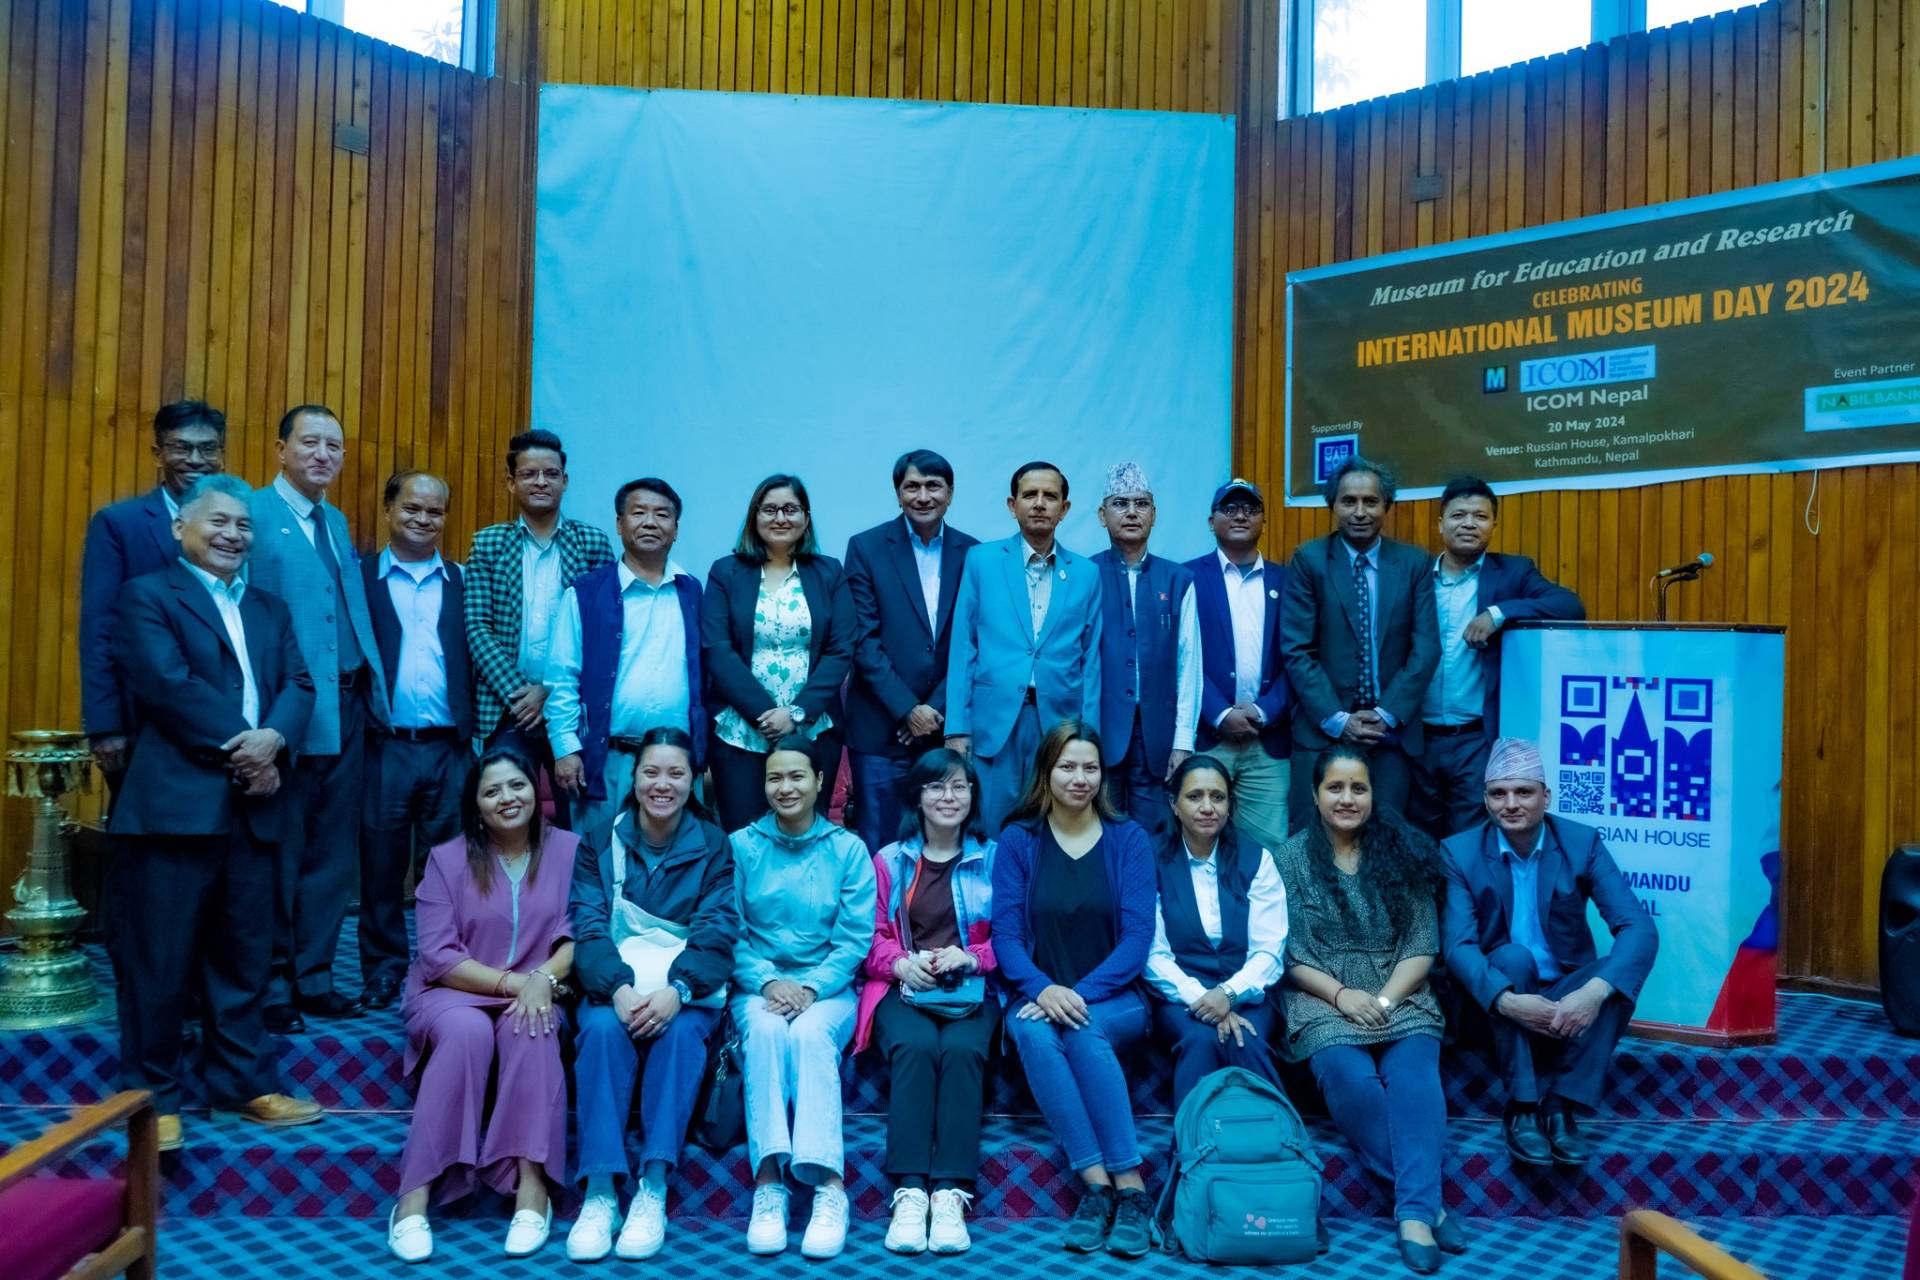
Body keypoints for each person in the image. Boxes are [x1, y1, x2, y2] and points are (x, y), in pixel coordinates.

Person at [108, 474, 323, 1152]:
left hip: (255, 808)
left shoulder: (268, 608)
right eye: (219, 522)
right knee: (160, 960)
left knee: (244, 954)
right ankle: (155, 1098)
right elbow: (167, 686)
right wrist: (249, 748)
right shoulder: (147, 595)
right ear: (181, 528)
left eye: (243, 525)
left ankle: (244, 1084)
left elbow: (300, 683)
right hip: (175, 808)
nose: (233, 534)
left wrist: (275, 739)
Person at [386, 747, 576, 1264]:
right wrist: (520, 983)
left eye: (516, 785)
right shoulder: (446, 860)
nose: (506, 798)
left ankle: (532, 1189)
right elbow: (439, 957)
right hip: (452, 992)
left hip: (539, 991)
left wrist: (542, 981)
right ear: (475, 804)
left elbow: (579, 936)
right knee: (466, 1032)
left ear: (535, 792)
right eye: (491, 791)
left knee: (534, 1027)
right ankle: (412, 1198)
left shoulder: (570, 851)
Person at [1274, 746, 1460, 1274]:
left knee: (1415, 1078)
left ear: (1373, 795)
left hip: (1399, 993)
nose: (1347, 798)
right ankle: (1426, 1205)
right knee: (1348, 1076)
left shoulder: (1404, 852)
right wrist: (1341, 996)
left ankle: (1413, 1216)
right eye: (1335, 787)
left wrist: (1382, 1000)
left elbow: (1422, 945)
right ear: (1315, 795)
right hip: (1321, 997)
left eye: (1358, 788)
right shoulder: (1287, 860)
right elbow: (1289, 954)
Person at [1440, 738, 1656, 1169]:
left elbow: (1639, 928)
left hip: (1563, 1003)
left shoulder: (1581, 842)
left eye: (1524, 792)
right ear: (1485, 799)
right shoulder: (1459, 852)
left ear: (1546, 796)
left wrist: (1592, 992)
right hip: (1493, 1005)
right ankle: (1522, 1107)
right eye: (1499, 793)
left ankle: (1561, 1105)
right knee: (1513, 958)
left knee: (1616, 976)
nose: (1511, 804)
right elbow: (1458, 946)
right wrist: (1507, 1001)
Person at [565, 727, 737, 1262]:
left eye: (676, 773)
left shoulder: (714, 844)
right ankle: (599, 1191)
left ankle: (653, 1184)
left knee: (681, 1035)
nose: (663, 784)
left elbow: (716, 932)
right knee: (599, 1029)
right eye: (651, 772)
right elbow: (588, 927)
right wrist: (617, 989)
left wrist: (678, 990)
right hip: (615, 984)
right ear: (634, 777)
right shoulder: (600, 840)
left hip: (685, 989)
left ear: (694, 780)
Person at [990, 720, 1156, 1259]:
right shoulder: (1019, 840)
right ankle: (1098, 1186)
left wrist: (1075, 994)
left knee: (1083, 1031)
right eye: (1067, 766)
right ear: (1046, 771)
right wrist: (1043, 990)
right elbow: (1006, 937)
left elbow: (1137, 940)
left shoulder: (1128, 839)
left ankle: (1131, 1187)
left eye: (1090, 767)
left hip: (1116, 997)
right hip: (1036, 996)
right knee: (1035, 1036)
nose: (1080, 778)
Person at [250, 405, 390, 1031]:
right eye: (310, 442)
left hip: (349, 705)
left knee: (333, 855)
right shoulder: (253, 515)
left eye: (334, 445)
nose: (323, 454)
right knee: (282, 851)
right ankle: (274, 983)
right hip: (290, 710)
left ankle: (315, 977)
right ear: (281, 449)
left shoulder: (334, 520)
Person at [731, 736, 877, 1259]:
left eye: (797, 776)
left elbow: (854, 939)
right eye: (775, 777)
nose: (785, 787)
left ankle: (829, 1186)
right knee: (767, 1030)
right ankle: (769, 1183)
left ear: (819, 782)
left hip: (829, 988)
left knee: (812, 1034)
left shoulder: (848, 850)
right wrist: (769, 981)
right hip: (760, 986)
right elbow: (730, 932)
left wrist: (812, 986)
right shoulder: (741, 846)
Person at [854, 747, 999, 1256]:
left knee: (961, 1050)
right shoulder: (889, 860)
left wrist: (971, 957)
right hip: (902, 989)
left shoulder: (993, 858)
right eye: (936, 786)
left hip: (971, 988)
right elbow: (869, 937)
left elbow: (1012, 938)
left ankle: (951, 1192)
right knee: (915, 1046)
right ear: (917, 796)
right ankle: (912, 1191)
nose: (948, 796)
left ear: (973, 795)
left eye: (960, 786)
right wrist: (899, 963)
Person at [1409, 478, 1585, 840]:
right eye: (1458, 515)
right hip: (1414, 738)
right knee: (1414, 842)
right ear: (1440, 523)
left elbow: (1570, 606)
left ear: (1493, 525)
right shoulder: (1414, 574)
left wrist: (1499, 612)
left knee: (1468, 842)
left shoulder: (1513, 573)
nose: (1469, 523)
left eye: (1480, 516)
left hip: (1474, 739)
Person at [357, 471, 473, 1012]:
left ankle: (442, 963)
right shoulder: (360, 579)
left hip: (451, 748)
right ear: (388, 509)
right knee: (380, 866)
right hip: (385, 746)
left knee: (447, 867)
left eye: (435, 511)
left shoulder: (463, 580)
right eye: (412, 508)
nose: (423, 519)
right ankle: (383, 969)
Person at [945, 462, 1104, 829]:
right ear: (1012, 505)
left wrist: (1089, 736)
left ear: (1064, 509)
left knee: (1052, 827)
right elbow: (964, 648)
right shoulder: (982, 561)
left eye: (1050, 496)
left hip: (1060, 723)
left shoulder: (1085, 573)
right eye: (1030, 494)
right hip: (994, 721)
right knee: (991, 827)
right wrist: (957, 727)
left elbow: (1091, 659)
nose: (1039, 503)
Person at [1281, 457, 1438, 827]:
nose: (1360, 511)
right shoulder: (1310, 560)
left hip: (1392, 735)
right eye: (1349, 501)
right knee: (1315, 842)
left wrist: (1385, 715)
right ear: (1333, 505)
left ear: (1387, 506)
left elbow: (1426, 647)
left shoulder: (1414, 563)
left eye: (1370, 501)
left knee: (1388, 841)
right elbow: (1296, 649)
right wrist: (1339, 719)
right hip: (1323, 731)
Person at [81, 400, 229, 789]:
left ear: (222, 456)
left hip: (226, 719)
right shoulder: (120, 524)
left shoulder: (238, 527)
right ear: (157, 453)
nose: (195, 460)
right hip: (143, 721)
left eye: (208, 449)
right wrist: (105, 725)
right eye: (182, 447)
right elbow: (99, 628)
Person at [547, 478, 705, 836]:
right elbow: (562, 677)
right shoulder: (585, 594)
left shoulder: (692, 591)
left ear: (676, 529)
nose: (650, 522)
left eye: (662, 514)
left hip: (677, 761)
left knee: (677, 860)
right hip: (608, 760)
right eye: (639, 513)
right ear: (619, 524)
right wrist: (565, 748)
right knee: (600, 859)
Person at [464, 428, 616, 797]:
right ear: (510, 482)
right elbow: (477, 626)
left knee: (579, 812)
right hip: (508, 709)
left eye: (550, 473)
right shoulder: (488, 543)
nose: (541, 482)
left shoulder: (592, 543)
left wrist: (549, 692)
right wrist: (522, 695)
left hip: (573, 707)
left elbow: (603, 631)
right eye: (529, 474)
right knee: (506, 808)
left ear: (565, 481)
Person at [843, 450, 980, 854]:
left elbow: (974, 640)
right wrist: (906, 708)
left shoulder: (973, 553)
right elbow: (863, 639)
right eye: (912, 487)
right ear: (898, 493)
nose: (923, 496)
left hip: (944, 730)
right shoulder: (866, 547)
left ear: (950, 492)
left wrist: (931, 709)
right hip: (880, 732)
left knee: (944, 846)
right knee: (882, 849)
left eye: (933, 486)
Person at [703, 475, 855, 832]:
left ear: (806, 517)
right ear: (754, 516)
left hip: (813, 729)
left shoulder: (828, 572)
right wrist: (766, 716)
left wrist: (797, 714)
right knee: (745, 836)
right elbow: (717, 650)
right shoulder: (726, 572)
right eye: (769, 509)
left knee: (808, 835)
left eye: (791, 509)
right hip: (741, 733)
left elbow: (841, 649)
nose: (780, 518)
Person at [1144, 754, 1288, 1107]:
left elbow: (1269, 949)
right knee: (1201, 1040)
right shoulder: (1151, 860)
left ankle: (1272, 1136)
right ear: (1174, 804)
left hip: (1249, 992)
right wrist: (1203, 998)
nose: (1207, 807)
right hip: (1179, 994)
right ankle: (1194, 1140)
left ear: (1229, 804)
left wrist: (1229, 994)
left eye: (1218, 797)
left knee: (1247, 1040)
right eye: (1194, 797)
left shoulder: (1257, 859)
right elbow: (1152, 953)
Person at [1091, 463, 1200, 847]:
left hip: (1157, 738)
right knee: (1098, 835)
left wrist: (1182, 741)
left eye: (1141, 504)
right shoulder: (1085, 575)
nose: (1132, 512)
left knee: (1152, 842)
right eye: (1120, 503)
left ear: (1154, 514)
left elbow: (1189, 665)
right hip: (1100, 733)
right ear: (1102, 515)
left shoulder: (1178, 579)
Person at [1188, 478, 1294, 853]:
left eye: (1250, 508)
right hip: (1206, 738)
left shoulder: (1288, 581)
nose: (1240, 515)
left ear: (1264, 520)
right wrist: (1219, 713)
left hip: (1268, 741)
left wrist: (1264, 711)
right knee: (1199, 842)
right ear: (1211, 521)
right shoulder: (1186, 578)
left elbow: (1299, 657)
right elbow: (1181, 659)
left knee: (1266, 850)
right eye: (1230, 508)